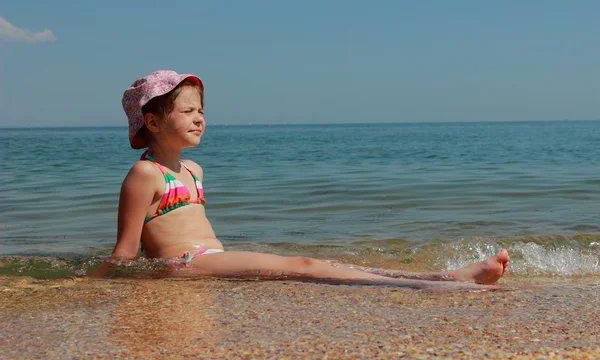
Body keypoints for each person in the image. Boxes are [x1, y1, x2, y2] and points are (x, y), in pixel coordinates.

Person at [88, 70, 510, 290]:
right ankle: (433, 288)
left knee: (332, 264)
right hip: (185, 267)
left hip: (209, 261)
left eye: (201, 110)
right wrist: (85, 285)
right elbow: (126, 252)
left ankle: (445, 277)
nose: (199, 118)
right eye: (186, 111)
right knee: (304, 266)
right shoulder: (145, 173)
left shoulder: (194, 171)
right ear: (152, 122)